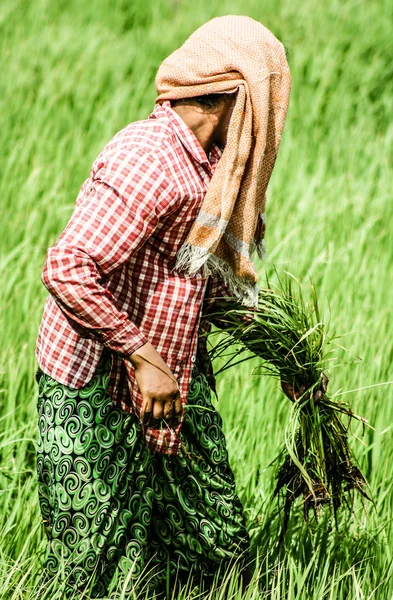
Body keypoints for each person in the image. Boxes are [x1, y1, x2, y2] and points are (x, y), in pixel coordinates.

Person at [35, 15, 291, 598]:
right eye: (268, 102)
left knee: (217, 548)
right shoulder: (150, 157)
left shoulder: (214, 171)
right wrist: (143, 356)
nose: (273, 126)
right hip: (94, 383)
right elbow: (68, 268)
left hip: (173, 376)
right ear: (232, 94)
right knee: (92, 566)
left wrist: (287, 360)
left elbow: (214, 285)